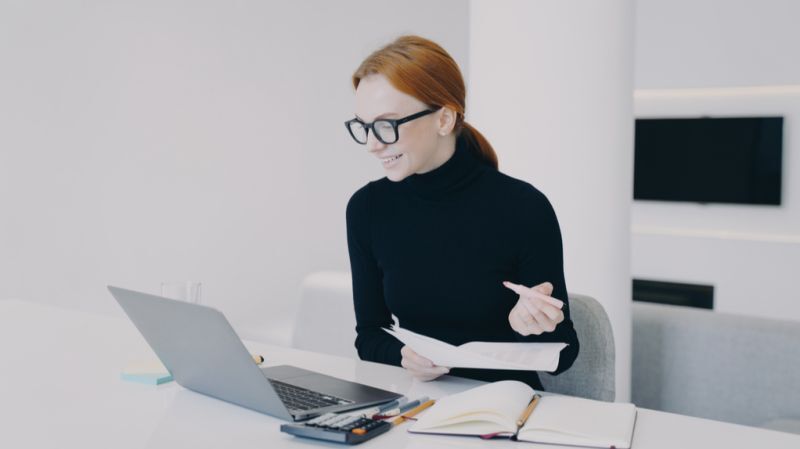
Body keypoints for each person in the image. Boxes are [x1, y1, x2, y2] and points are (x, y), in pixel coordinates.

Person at [344, 35, 579, 390]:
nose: (373, 144)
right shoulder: (367, 209)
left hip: (500, 409)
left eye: (387, 125)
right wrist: (403, 355)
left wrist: (528, 327)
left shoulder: (523, 208)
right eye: (364, 126)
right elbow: (369, 335)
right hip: (416, 405)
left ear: (444, 118)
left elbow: (564, 354)